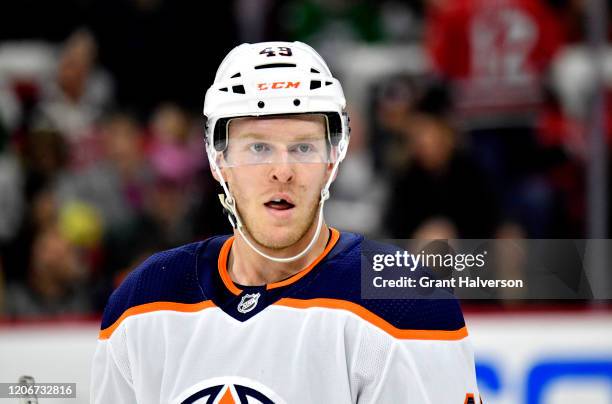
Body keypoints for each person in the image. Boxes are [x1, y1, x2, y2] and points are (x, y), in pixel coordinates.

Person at [91, 41, 481, 403]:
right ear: (219, 159)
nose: (283, 170)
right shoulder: (144, 301)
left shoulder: (404, 298)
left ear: (332, 158)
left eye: (303, 147)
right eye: (258, 147)